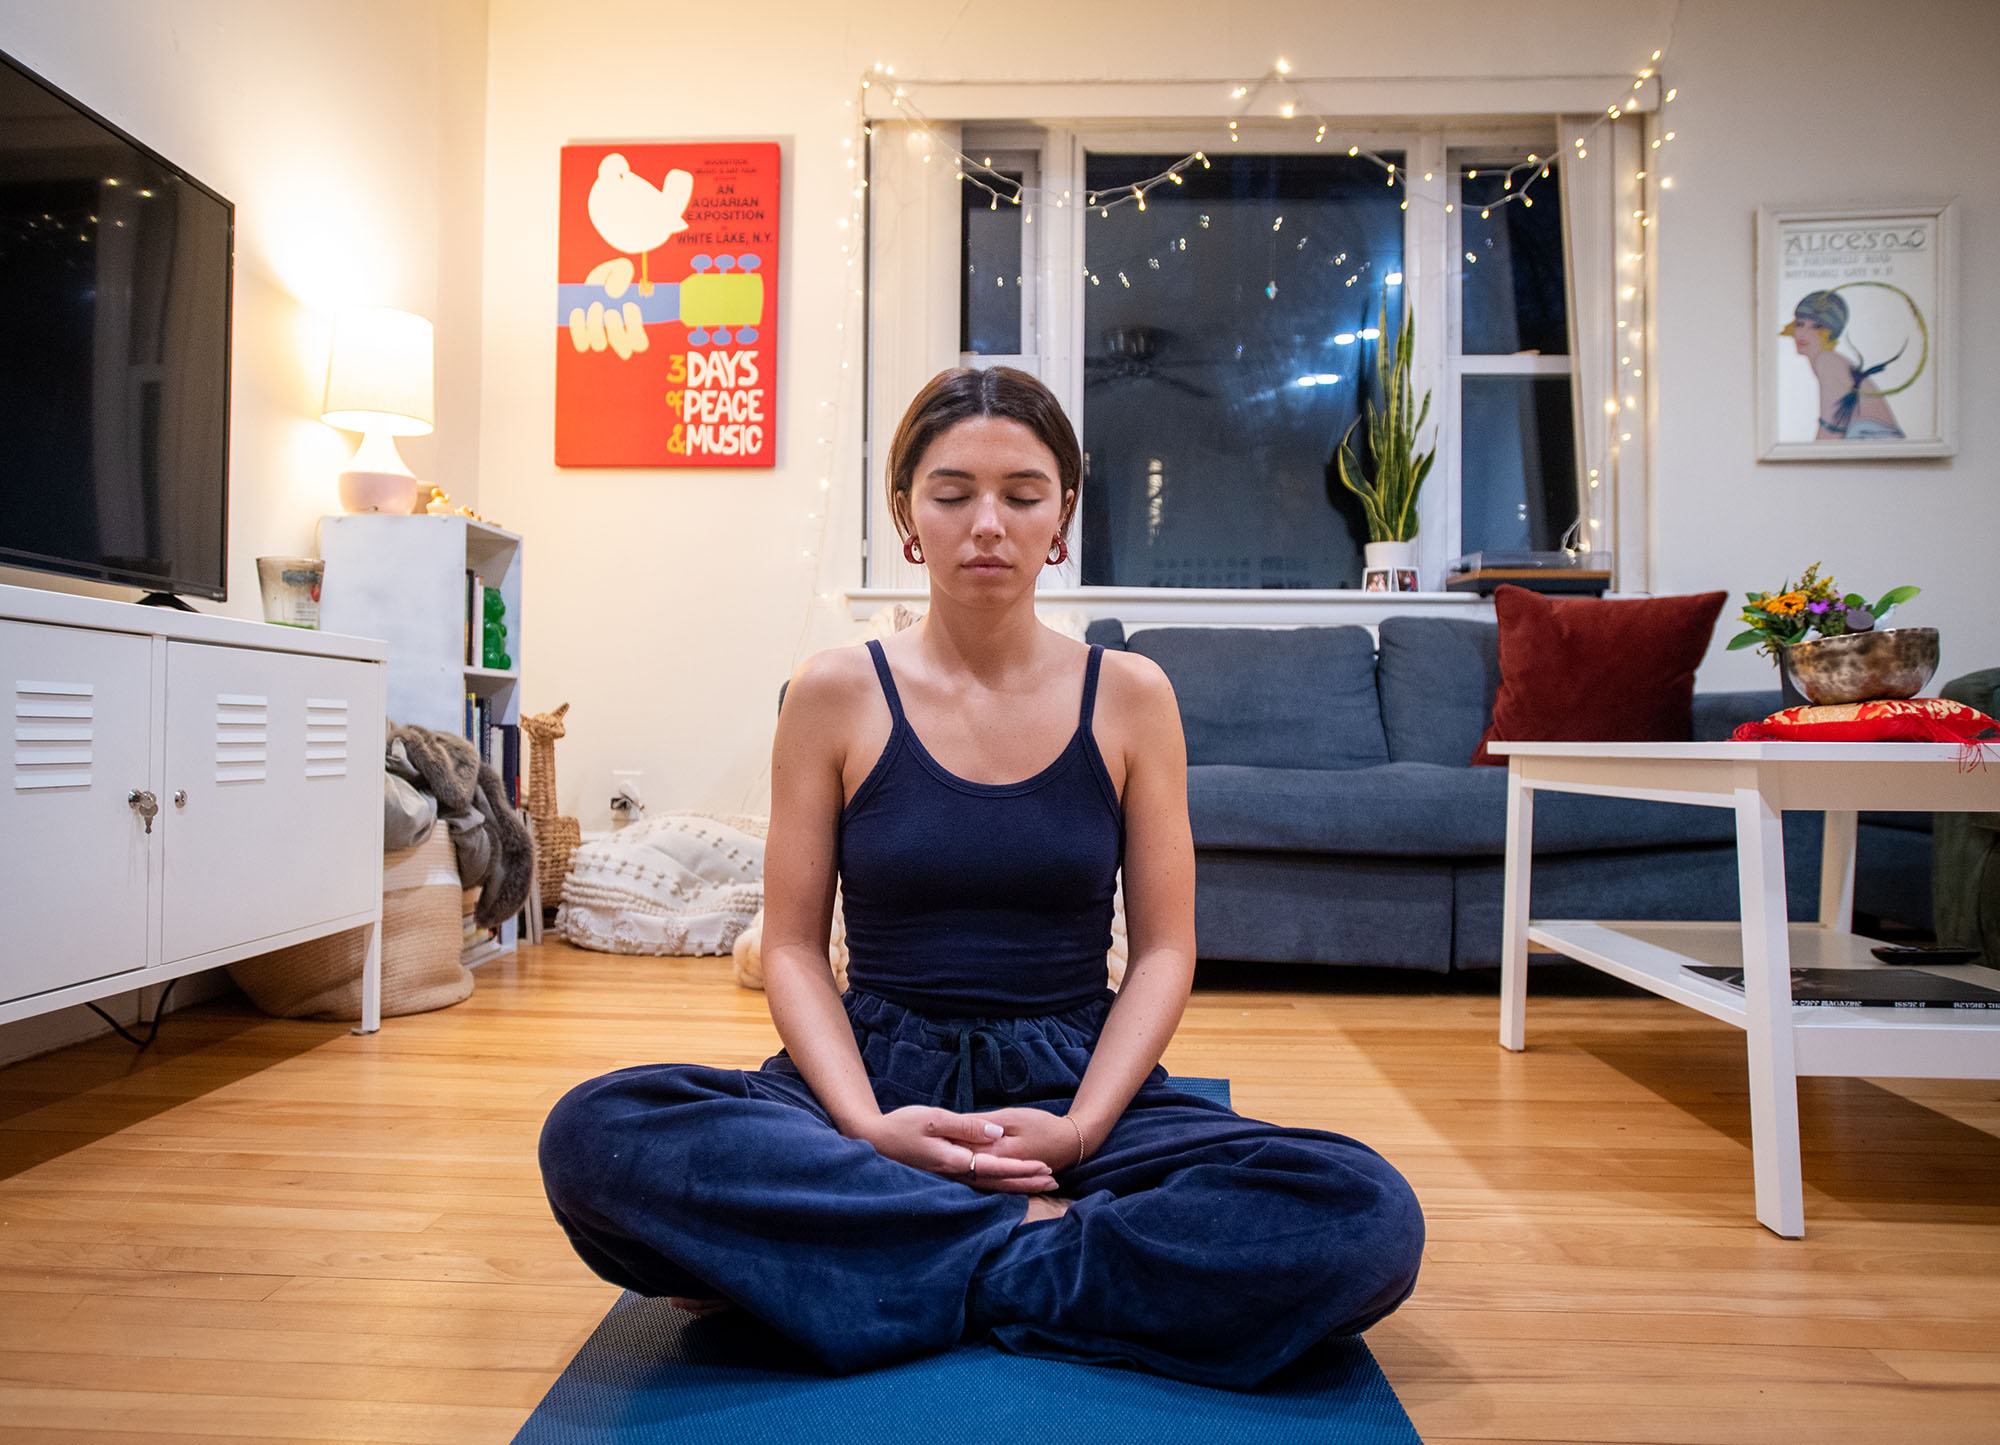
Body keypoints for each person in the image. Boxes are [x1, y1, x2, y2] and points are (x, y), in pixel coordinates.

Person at [538, 366, 1424, 1389]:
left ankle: (880, 1263)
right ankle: (1038, 1246)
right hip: (874, 1079)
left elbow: (1167, 947)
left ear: (1062, 517)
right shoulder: (834, 691)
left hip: (1073, 1081)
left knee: (1364, 1213)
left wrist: (1085, 1127)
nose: (986, 523)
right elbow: (787, 945)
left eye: (1022, 493)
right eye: (952, 493)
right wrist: (868, 1126)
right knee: (598, 1137)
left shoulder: (1130, 696)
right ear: (907, 516)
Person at [1782, 289, 1905, 440]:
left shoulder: (1827, 361)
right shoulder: (1828, 360)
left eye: (1817, 326)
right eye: (1800, 324)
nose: (1803, 333)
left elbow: (1831, 431)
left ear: (1831, 332)